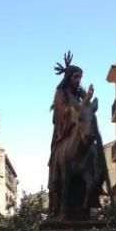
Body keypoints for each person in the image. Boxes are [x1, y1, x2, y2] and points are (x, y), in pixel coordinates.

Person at [47, 54, 94, 217]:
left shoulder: (78, 90)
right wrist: (80, 106)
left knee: (92, 150)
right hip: (64, 132)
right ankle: (57, 187)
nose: (78, 80)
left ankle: (95, 184)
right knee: (58, 156)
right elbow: (64, 111)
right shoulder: (61, 92)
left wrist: (87, 98)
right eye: (75, 76)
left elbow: (86, 104)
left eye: (80, 77)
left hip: (79, 129)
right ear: (69, 77)